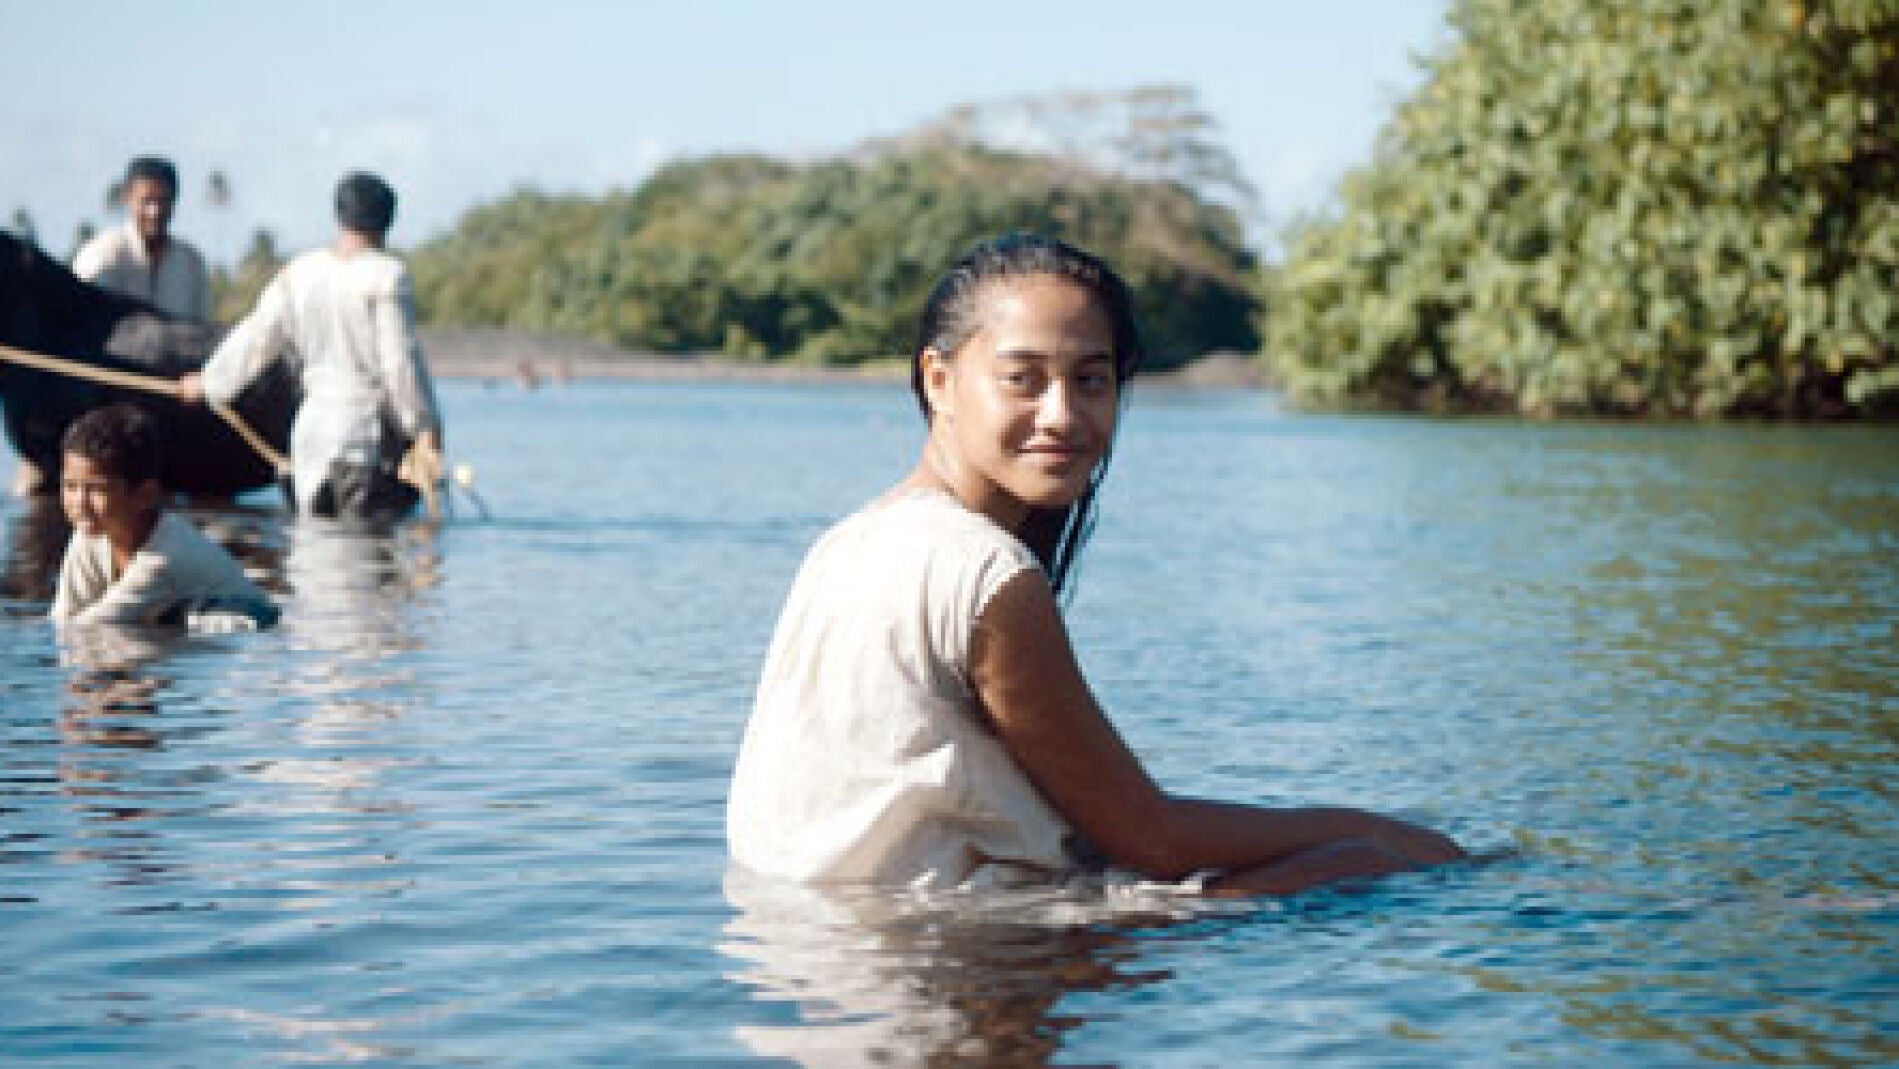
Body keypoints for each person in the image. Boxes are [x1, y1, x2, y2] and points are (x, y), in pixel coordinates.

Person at [728, 234, 1467, 895]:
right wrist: (1375, 831)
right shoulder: (981, 569)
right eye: (1023, 378)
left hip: (801, 968)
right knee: (1366, 861)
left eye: (1090, 380)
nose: (1062, 415)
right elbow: (1152, 839)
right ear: (938, 380)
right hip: (941, 963)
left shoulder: (848, 542)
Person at [178, 172, 442, 520]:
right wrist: (423, 428)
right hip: (362, 436)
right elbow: (398, 365)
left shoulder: (300, 272)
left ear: (339, 216)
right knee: (362, 542)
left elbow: (257, 337)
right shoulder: (387, 276)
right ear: (388, 221)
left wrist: (208, 383)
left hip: (310, 435)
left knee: (314, 543)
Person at [50, 403, 277, 629]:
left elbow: (91, 626)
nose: (80, 502)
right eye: (70, 486)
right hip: (171, 608)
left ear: (145, 495)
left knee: (180, 620)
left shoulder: (165, 556)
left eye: (98, 489)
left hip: (246, 616)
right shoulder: (89, 534)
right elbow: (64, 618)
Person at [71, 156, 212, 323]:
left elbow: (202, 327)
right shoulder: (100, 256)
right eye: (146, 201)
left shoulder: (191, 264)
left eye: (163, 202)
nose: (155, 212)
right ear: (127, 198)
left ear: (174, 202)